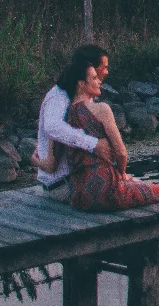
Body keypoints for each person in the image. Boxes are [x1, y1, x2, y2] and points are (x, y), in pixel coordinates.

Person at [54, 55, 159, 287]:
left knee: (137, 188)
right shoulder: (101, 110)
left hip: (79, 196)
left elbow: (53, 162)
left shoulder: (65, 117)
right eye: (93, 78)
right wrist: (121, 174)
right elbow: (121, 153)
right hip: (106, 193)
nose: (99, 81)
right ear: (81, 84)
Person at [31, 45, 116, 203]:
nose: (106, 72)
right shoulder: (60, 96)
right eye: (103, 67)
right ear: (89, 67)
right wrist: (93, 144)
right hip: (64, 186)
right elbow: (52, 128)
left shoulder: (83, 97)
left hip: (78, 181)